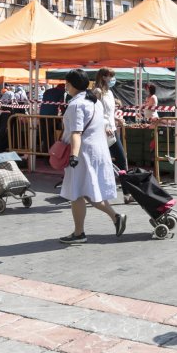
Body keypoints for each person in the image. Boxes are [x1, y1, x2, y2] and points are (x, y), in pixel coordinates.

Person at [57, 69, 126, 245]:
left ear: (71, 85)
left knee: (78, 193)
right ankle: (112, 218)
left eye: (67, 83)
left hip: (82, 154)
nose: (66, 86)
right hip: (97, 151)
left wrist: (73, 155)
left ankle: (81, 232)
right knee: (85, 192)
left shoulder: (76, 105)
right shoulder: (94, 101)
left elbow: (76, 133)